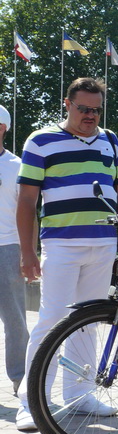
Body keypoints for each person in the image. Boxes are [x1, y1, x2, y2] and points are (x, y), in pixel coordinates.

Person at [16, 78, 118, 432]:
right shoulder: (40, 141)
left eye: (96, 109)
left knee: (90, 321)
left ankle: (80, 395)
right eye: (83, 108)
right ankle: (31, 400)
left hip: (103, 245)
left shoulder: (110, 140)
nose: (90, 116)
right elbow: (26, 202)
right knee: (51, 320)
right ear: (67, 104)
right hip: (61, 245)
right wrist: (27, 252)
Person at [0, 105, 29, 398]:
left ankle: (21, 380)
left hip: (7, 248)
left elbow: (28, 210)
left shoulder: (17, 166)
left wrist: (27, 251)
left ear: (2, 128)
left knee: (15, 321)